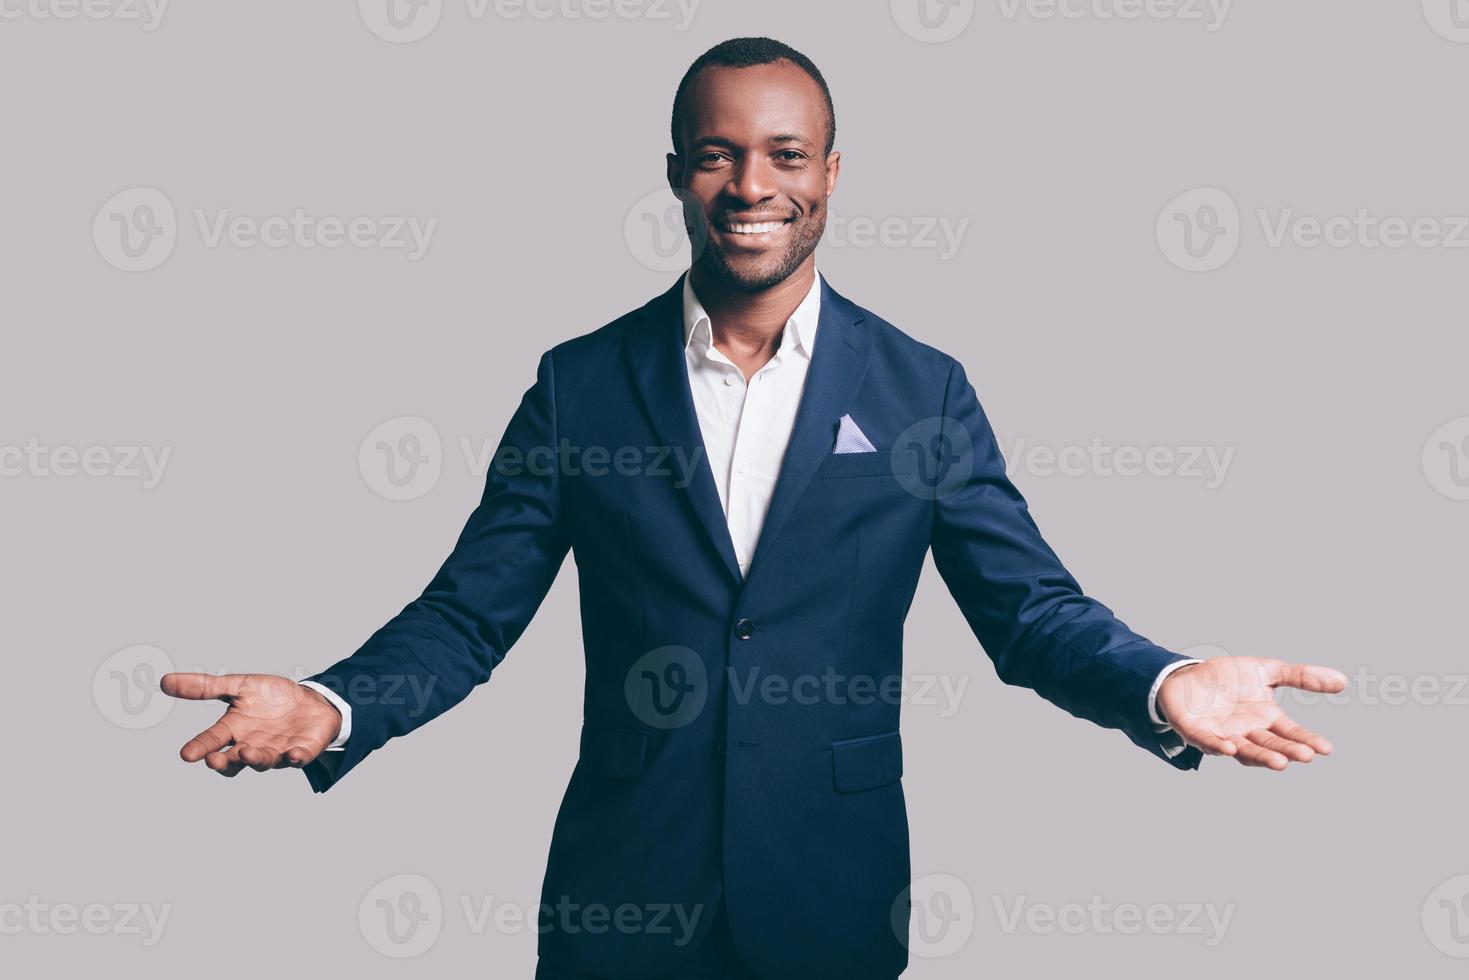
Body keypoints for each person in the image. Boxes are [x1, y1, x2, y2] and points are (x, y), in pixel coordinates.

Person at [161, 36, 1346, 980]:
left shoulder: (917, 386)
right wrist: (333, 703)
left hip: (831, 896)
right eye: (717, 153)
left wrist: (1157, 677)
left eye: (785, 154)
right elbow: (470, 614)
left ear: (831, 172)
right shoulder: (580, 382)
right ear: (675, 171)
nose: (751, 184)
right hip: (619, 901)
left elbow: (1027, 611)